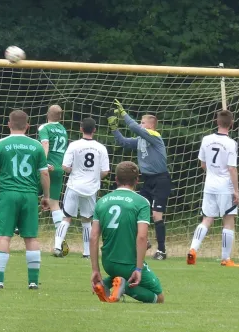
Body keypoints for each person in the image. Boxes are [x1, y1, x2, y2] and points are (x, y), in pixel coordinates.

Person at [0, 110, 50, 290]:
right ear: (28, 126)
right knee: (31, 237)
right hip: (29, 194)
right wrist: (46, 196)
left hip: (8, 194)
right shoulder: (36, 146)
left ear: (8, 124)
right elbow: (44, 172)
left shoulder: (0, 144)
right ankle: (33, 281)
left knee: (4, 236)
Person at [90, 161, 165, 304]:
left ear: (116, 179)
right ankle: (124, 288)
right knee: (159, 297)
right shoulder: (141, 202)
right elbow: (142, 237)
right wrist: (138, 268)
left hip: (108, 264)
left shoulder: (102, 201)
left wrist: (95, 270)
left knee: (119, 274)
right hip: (129, 263)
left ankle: (106, 283)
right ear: (137, 180)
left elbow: (93, 237)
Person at [108, 99, 171, 260]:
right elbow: (123, 141)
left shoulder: (155, 136)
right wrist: (114, 128)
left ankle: (162, 250)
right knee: (135, 210)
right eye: (141, 122)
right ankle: (146, 241)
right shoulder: (141, 140)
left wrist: (124, 114)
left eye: (143, 122)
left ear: (150, 125)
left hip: (161, 179)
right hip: (148, 180)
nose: (140, 124)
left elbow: (135, 128)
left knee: (157, 214)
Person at [187, 110, 239, 267]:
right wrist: (236, 190)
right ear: (231, 124)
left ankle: (192, 249)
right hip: (225, 187)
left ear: (217, 122)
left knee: (207, 219)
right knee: (228, 220)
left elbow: (203, 164)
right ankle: (226, 258)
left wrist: (213, 172)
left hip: (209, 185)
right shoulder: (231, 143)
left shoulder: (206, 139)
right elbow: (232, 168)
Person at [54, 117, 109, 258]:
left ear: (81, 128)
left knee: (66, 217)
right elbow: (105, 171)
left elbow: (65, 166)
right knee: (87, 220)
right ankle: (86, 253)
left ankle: (57, 246)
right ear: (95, 130)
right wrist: (94, 178)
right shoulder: (101, 148)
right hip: (91, 188)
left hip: (74, 185)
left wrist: (75, 171)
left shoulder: (74, 145)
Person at [37, 105, 68, 228]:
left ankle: (21, 225)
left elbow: (45, 143)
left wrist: (43, 163)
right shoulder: (63, 130)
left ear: (47, 114)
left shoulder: (44, 127)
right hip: (58, 168)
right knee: (54, 203)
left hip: (47, 167)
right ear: (60, 116)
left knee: (31, 194)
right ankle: (61, 238)